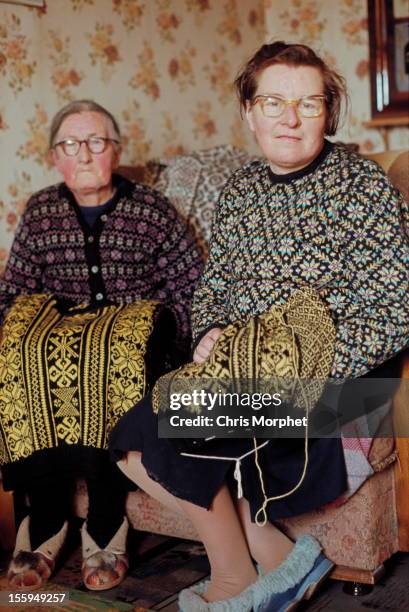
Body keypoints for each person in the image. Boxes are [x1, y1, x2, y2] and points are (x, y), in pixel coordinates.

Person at [110, 42, 409, 611]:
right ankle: (271, 559)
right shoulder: (241, 190)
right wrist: (210, 336)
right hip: (242, 374)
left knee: (166, 427)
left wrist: (294, 365)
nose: (290, 119)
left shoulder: (361, 187)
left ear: (330, 112)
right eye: (272, 102)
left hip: (340, 388)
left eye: (309, 103)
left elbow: (396, 310)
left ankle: (235, 582)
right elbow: (214, 291)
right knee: (132, 439)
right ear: (248, 112)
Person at [0, 99, 203, 591]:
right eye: (70, 144)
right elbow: (14, 294)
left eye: (96, 142)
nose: (84, 154)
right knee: (21, 349)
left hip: (133, 346)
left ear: (116, 150)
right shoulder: (41, 211)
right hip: (57, 345)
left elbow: (192, 286)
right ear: (54, 157)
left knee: (112, 353)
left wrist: (182, 347)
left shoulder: (151, 209)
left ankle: (106, 521)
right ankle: (46, 519)